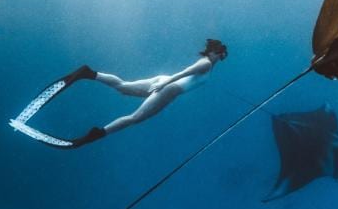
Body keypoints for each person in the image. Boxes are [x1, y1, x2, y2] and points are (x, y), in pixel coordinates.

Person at [70, 39, 228, 148]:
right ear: (216, 52)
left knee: (123, 87)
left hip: (165, 82)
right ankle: (97, 134)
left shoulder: (206, 63)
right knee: (135, 118)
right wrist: (164, 84)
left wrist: (163, 82)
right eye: (219, 53)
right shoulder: (206, 64)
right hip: (168, 88)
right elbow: (185, 72)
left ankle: (89, 73)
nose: (218, 56)